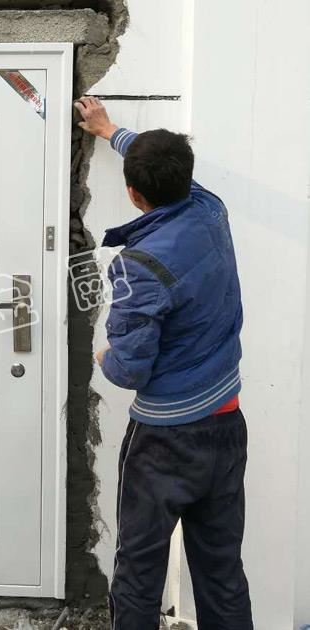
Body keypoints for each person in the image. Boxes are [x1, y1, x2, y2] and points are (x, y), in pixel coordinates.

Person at [74, 96, 253, 630]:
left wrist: (104, 355)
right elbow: (164, 167)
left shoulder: (140, 265)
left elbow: (131, 370)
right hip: (226, 426)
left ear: (133, 194)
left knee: (139, 571)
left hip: (165, 443)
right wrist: (111, 131)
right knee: (221, 573)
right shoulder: (210, 209)